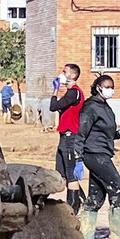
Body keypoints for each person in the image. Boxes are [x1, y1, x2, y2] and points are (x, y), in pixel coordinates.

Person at [77, 73, 120, 239]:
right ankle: (117, 238)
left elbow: (107, 133)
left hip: (103, 152)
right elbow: (81, 132)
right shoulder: (90, 107)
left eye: (112, 86)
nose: (111, 89)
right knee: (119, 189)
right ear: (98, 88)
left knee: (96, 197)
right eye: (107, 86)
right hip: (94, 154)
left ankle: (86, 237)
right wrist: (77, 158)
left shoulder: (105, 107)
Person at [49, 63, 85, 212]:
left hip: (71, 136)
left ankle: (73, 207)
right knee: (61, 172)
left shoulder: (73, 93)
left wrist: (55, 89)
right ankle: (81, 199)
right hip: (64, 135)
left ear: (72, 76)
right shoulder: (70, 93)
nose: (61, 74)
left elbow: (53, 106)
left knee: (71, 174)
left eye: (64, 72)